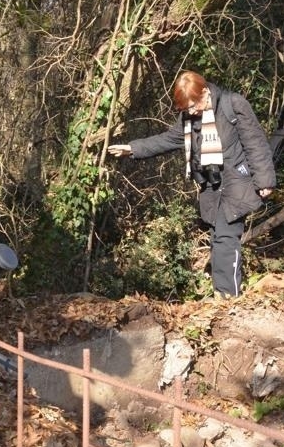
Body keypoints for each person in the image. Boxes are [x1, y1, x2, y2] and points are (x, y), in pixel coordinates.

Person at [108, 70, 275, 297]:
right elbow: (169, 139)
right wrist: (133, 149)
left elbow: (256, 143)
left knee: (226, 238)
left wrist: (264, 181)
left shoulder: (233, 105)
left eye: (194, 105)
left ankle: (229, 297)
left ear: (205, 92)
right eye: (186, 109)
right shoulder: (190, 117)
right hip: (212, 185)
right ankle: (222, 294)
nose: (191, 112)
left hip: (238, 181)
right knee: (217, 238)